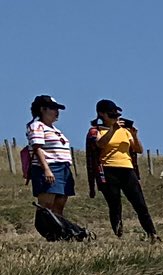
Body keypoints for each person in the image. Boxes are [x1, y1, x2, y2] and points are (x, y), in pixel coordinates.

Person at [86, 100, 156, 240]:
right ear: (101, 114)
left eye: (116, 114)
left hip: (127, 169)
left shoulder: (125, 131)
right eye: (111, 114)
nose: (115, 116)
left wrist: (134, 135)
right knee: (115, 205)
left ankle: (152, 233)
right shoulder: (96, 131)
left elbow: (138, 150)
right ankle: (119, 235)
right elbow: (99, 144)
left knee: (139, 203)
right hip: (108, 170)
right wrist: (113, 129)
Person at [25, 96, 88, 240]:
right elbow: (37, 148)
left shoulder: (55, 129)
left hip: (63, 168)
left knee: (59, 203)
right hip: (49, 166)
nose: (57, 112)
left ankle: (61, 232)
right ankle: (48, 233)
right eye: (53, 109)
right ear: (43, 109)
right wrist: (46, 169)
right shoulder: (36, 126)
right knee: (46, 204)